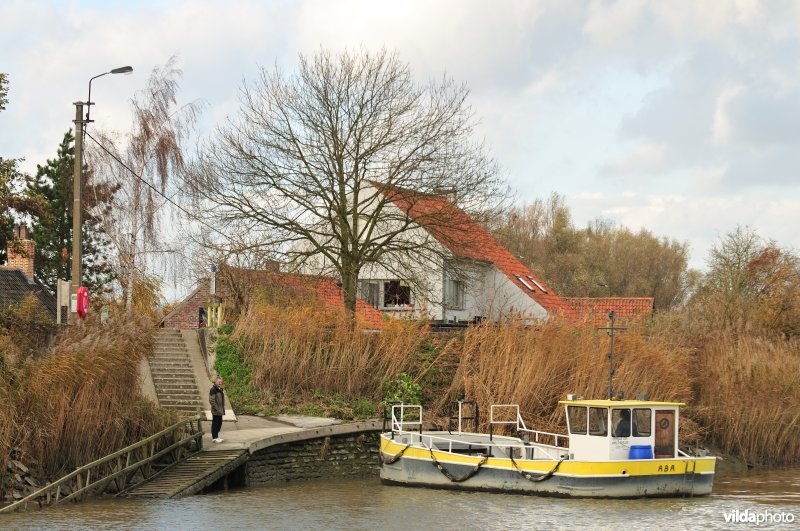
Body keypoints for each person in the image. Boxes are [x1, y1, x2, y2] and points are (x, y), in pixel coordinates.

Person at [209, 376, 225, 443]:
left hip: (220, 410)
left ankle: (217, 436)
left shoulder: (220, 389)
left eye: (221, 382)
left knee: (219, 423)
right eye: (219, 382)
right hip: (216, 411)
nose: (220, 383)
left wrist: (221, 408)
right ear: (215, 382)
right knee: (215, 424)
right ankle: (214, 437)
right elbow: (211, 400)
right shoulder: (213, 389)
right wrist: (217, 408)